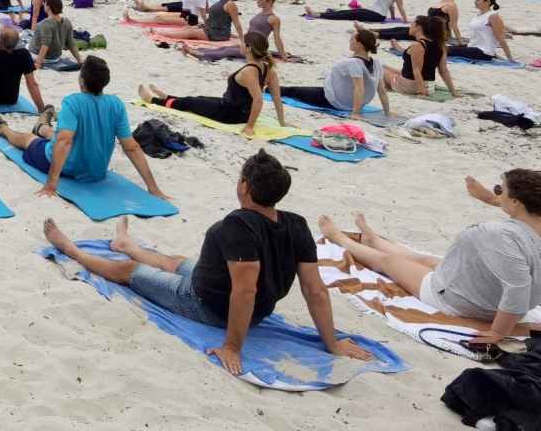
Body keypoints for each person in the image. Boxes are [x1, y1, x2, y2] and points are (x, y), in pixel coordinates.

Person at [42, 151, 370, 376]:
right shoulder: (296, 223)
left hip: (206, 305)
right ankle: (124, 244)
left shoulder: (238, 227)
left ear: (244, 186)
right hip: (217, 286)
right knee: (177, 262)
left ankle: (71, 250)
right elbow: (315, 290)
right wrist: (332, 343)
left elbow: (245, 291)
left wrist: (231, 347)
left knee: (128, 273)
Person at [318, 172, 541, 342]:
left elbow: (518, 286)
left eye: (501, 192)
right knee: (426, 260)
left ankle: (339, 238)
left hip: (464, 301)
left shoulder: (500, 235)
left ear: (516, 202)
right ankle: (374, 240)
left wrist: (497, 332)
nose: (496, 196)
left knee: (389, 263)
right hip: (487, 291)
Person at [0, 56, 168, 200]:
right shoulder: (116, 104)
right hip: (96, 171)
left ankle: (3, 129)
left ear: (82, 80)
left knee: (27, 139)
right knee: (58, 135)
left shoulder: (72, 102)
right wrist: (153, 188)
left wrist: (51, 184)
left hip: (68, 167)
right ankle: (42, 125)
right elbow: (132, 147)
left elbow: (64, 142)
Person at [139, 31, 286, 137]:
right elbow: (277, 98)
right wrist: (282, 122)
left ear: (248, 48)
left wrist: (249, 126)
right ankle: (167, 96)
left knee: (191, 103)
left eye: (242, 42)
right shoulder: (269, 70)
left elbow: (259, 99)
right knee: (198, 98)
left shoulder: (250, 71)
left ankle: (152, 100)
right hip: (234, 110)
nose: (239, 44)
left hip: (228, 114)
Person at [278, 28, 390, 120]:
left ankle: (267, 89)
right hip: (351, 101)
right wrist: (387, 111)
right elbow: (381, 90)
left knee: (294, 91)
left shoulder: (354, 63)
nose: (350, 42)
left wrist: (356, 113)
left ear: (359, 44)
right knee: (299, 91)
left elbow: (359, 88)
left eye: (352, 40)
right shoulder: (377, 63)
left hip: (333, 100)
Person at [188, 0, 290, 62]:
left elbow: (277, 39)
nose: (257, 2)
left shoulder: (274, 19)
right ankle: (197, 50)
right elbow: (251, 31)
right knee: (225, 48)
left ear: (269, 1)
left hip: (256, 48)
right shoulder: (259, 14)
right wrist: (241, 40)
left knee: (227, 52)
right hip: (248, 43)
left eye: (260, 0)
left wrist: (283, 56)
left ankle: (200, 54)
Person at [379, 14, 459, 98]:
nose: (410, 26)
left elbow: (417, 71)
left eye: (412, 24)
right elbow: (444, 71)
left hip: (413, 86)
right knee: (383, 66)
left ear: (418, 27)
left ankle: (387, 89)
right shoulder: (440, 45)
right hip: (429, 85)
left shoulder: (418, 45)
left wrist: (422, 92)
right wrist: (453, 92)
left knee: (379, 69)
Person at [152, 0, 244, 43]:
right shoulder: (220, 2)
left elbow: (236, 23)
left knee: (191, 33)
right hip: (211, 28)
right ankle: (163, 32)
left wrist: (241, 38)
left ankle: (160, 33)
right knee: (189, 28)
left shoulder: (230, 4)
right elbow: (209, 12)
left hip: (217, 34)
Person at [375, 0, 462, 43]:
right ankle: (372, 31)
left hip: (433, 34)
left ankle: (374, 34)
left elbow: (453, 25)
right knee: (399, 29)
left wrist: (459, 41)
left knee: (403, 33)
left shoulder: (451, 6)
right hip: (426, 28)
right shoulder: (440, 3)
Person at [448, 0, 515, 64]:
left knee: (445, 50)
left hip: (483, 53)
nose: (475, 2)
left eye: (478, 0)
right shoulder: (478, 15)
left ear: (488, 2)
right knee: (442, 47)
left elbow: (501, 39)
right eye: (475, 0)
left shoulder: (493, 16)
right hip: (473, 48)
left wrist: (510, 58)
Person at [29, 0, 80, 70]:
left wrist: (38, 63)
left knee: (25, 39)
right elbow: (71, 43)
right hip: (55, 57)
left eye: (45, 3)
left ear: (49, 7)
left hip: (39, 56)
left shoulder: (45, 23)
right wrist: (79, 60)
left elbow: (45, 45)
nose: (43, 5)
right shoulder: (67, 22)